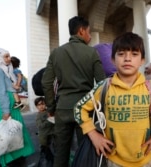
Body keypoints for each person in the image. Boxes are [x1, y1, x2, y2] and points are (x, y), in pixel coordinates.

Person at [74, 32, 151, 167]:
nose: (127, 59)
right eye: (121, 54)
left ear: (142, 60)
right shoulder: (104, 86)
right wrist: (93, 135)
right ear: (112, 59)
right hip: (112, 160)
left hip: (145, 161)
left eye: (134, 54)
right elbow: (79, 108)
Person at [41, 16, 106, 167]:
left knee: (61, 153)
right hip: (85, 110)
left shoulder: (56, 53)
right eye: (89, 32)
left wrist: (51, 108)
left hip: (62, 109)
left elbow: (46, 82)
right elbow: (102, 84)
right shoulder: (91, 53)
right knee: (86, 151)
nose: (90, 36)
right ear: (81, 31)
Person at [0, 48, 35, 167]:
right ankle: (9, 160)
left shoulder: (5, 70)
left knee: (15, 131)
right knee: (7, 133)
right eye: (6, 56)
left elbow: (12, 87)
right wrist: (6, 111)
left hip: (11, 103)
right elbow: (1, 92)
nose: (9, 59)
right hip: (6, 104)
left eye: (9, 56)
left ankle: (16, 158)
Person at [35, 96, 55, 165]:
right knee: (46, 154)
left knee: (53, 152)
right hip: (44, 138)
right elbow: (39, 125)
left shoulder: (48, 112)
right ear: (36, 106)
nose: (41, 106)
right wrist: (49, 119)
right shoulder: (39, 115)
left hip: (52, 135)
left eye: (42, 104)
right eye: (39, 105)